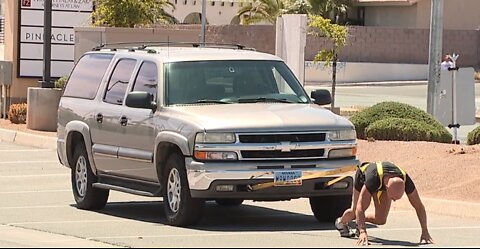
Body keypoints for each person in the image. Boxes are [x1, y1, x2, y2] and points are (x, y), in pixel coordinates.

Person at [334, 161, 434, 246]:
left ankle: (359, 222)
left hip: (382, 180)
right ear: (387, 186)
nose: (394, 201)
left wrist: (424, 230)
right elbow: (360, 207)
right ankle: (341, 222)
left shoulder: (406, 180)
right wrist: (363, 231)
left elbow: (419, 206)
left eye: (396, 198)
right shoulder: (372, 179)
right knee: (355, 211)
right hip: (363, 176)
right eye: (393, 198)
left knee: (381, 219)